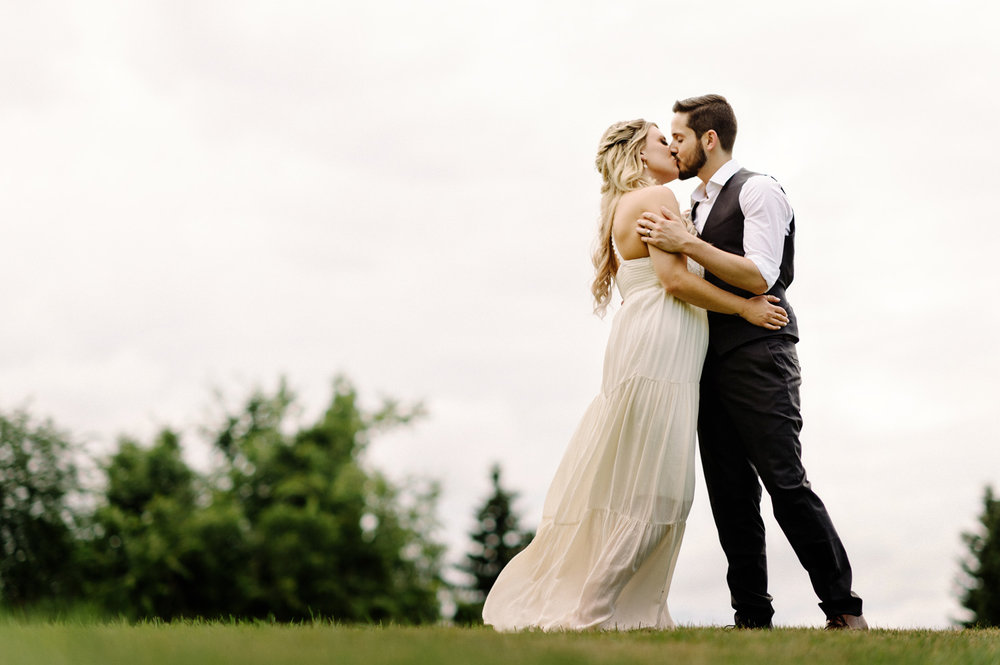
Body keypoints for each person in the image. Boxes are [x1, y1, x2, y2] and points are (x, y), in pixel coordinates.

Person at [482, 119, 788, 631]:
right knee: (657, 484)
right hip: (660, 345)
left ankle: (619, 607)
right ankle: (594, 611)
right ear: (640, 156)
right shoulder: (654, 200)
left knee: (646, 480)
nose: (672, 147)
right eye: (660, 141)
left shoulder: (635, 202)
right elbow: (671, 279)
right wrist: (745, 309)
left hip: (654, 339)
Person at [636, 94, 868, 630]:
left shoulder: (758, 189)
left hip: (761, 353)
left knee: (785, 481)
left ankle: (843, 609)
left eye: (681, 136)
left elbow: (760, 275)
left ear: (709, 139)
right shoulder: (690, 204)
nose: (673, 145)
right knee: (729, 494)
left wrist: (686, 246)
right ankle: (751, 617)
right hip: (702, 359)